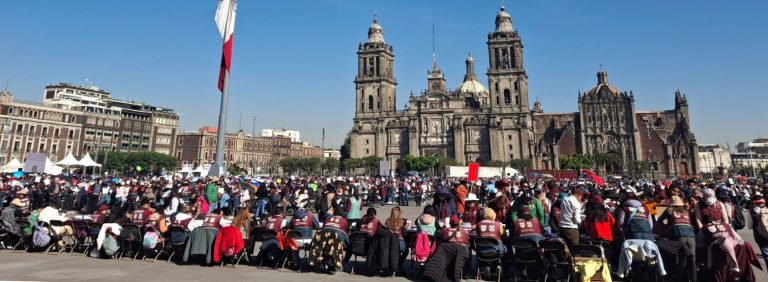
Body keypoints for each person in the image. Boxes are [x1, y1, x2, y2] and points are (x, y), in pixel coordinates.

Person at [694, 188, 739, 273]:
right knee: (698, 244)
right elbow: (698, 219)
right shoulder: (698, 205)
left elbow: (725, 219)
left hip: (721, 226)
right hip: (707, 227)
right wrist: (703, 230)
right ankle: (701, 262)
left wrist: (724, 227)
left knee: (739, 241)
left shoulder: (720, 204)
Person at [656, 195, 696, 281]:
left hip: (677, 234)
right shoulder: (686, 210)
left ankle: (681, 279)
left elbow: (660, 220)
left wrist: (666, 228)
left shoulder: (669, 210)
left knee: (681, 259)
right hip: (691, 235)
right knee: (692, 259)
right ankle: (693, 279)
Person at [748, 194, 768, 269]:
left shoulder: (752, 212)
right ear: (764, 202)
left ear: (754, 203)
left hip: (760, 236)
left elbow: (750, 226)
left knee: (766, 255)